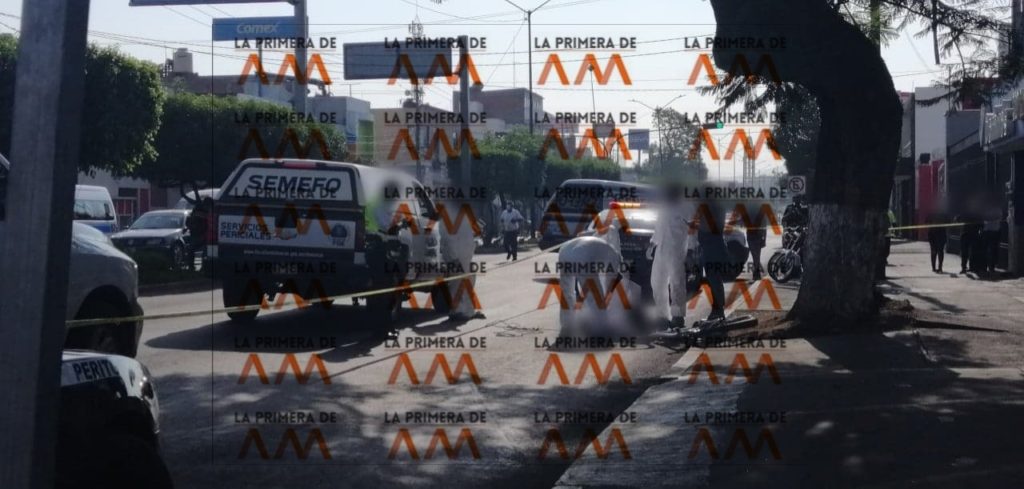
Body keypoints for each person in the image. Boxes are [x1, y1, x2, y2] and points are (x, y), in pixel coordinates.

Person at [649, 184, 694, 330]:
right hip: (661, 249)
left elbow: (693, 230)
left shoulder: (686, 207)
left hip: (677, 250)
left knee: (677, 283)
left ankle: (678, 317)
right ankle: (662, 316)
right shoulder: (664, 207)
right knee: (657, 282)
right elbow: (658, 227)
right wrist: (652, 244)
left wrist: (692, 252)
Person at [957, 207, 982, 274]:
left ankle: (967, 268)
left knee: (969, 252)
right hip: (969, 234)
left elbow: (957, 219)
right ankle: (969, 267)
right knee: (970, 252)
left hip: (968, 234)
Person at [981, 196, 1003, 274]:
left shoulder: (997, 209)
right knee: (985, 249)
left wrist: (989, 218)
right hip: (988, 231)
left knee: (993, 250)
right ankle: (985, 266)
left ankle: (992, 266)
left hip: (994, 231)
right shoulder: (986, 209)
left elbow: (998, 217)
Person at [745, 212, 767, 281]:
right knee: (756, 256)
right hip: (753, 237)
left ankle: (756, 275)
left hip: (756, 237)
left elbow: (764, 227)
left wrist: (764, 240)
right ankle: (757, 274)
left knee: (756, 256)